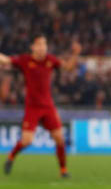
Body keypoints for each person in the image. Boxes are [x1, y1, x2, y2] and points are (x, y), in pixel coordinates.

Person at [0, 35, 81, 178]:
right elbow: (6, 59)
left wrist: (75, 54)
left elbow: (68, 67)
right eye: (39, 44)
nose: (43, 47)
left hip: (48, 106)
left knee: (59, 138)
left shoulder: (50, 60)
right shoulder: (25, 60)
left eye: (45, 44)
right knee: (27, 140)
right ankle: (11, 157)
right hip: (32, 107)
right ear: (33, 47)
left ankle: (63, 170)